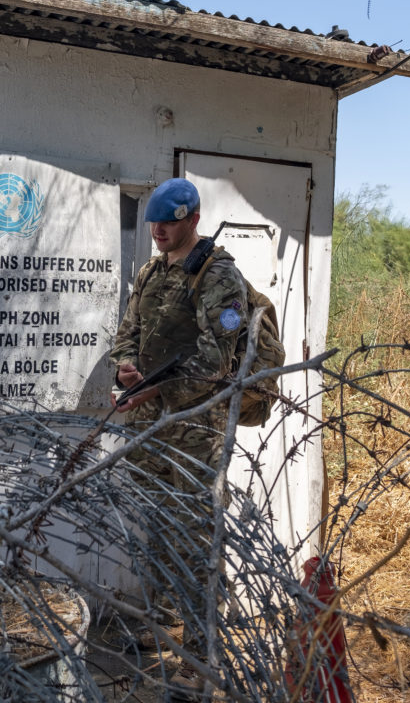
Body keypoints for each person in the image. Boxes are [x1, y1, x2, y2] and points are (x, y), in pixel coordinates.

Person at [109, 177, 250, 688]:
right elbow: (128, 331)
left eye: (169, 222)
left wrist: (154, 391)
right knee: (155, 521)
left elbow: (217, 361)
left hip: (194, 428)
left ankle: (201, 651)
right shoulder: (151, 271)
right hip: (150, 423)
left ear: (193, 219)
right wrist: (125, 370)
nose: (159, 231)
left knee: (194, 531)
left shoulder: (218, 277)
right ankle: (164, 620)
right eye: (153, 222)